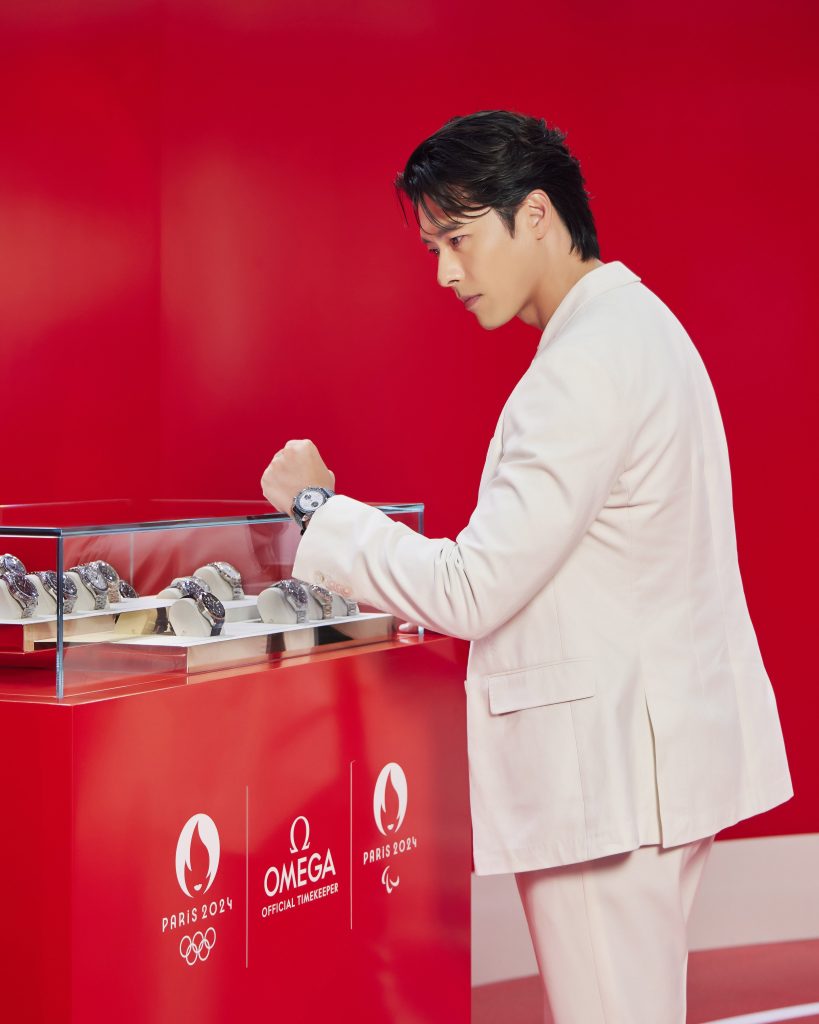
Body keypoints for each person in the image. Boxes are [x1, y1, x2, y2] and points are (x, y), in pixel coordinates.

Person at [260, 110, 792, 1023]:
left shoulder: (584, 364)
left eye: (458, 239)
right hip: (651, 766)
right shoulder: (639, 325)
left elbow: (473, 588)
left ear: (536, 214)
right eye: (432, 247)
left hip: (608, 784)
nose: (445, 272)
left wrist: (315, 508)